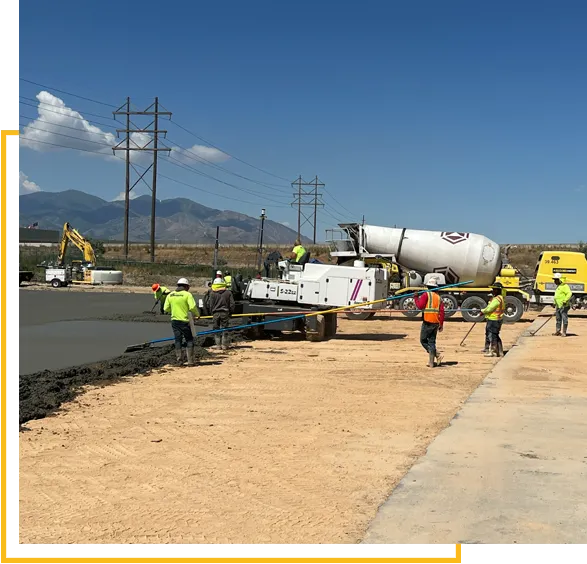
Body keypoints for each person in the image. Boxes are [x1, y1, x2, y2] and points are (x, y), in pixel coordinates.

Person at [163, 277, 200, 366]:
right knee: (189, 340)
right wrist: (197, 315)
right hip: (185, 321)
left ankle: (179, 360)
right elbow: (192, 307)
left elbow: (166, 308)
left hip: (175, 321)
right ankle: (190, 361)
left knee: (178, 340)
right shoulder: (187, 295)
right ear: (186, 286)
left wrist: (174, 310)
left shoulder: (170, 295)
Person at [414, 278, 445, 368]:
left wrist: (416, 297)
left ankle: (436, 354)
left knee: (423, 340)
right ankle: (431, 362)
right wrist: (441, 324)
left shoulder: (426, 295)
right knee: (432, 342)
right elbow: (442, 312)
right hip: (436, 322)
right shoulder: (439, 298)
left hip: (427, 321)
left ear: (428, 286)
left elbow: (420, 306)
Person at [203, 277, 235, 350]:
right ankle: (224, 345)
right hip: (225, 313)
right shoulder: (228, 293)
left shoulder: (212, 293)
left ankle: (218, 346)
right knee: (225, 329)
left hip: (215, 313)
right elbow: (232, 304)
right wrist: (230, 312)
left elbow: (210, 305)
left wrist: (211, 313)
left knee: (216, 329)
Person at [480, 282, 505, 357]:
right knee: (495, 335)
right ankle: (500, 352)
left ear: (497, 290)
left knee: (493, 336)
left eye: (494, 289)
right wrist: (484, 311)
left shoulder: (497, 299)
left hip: (494, 320)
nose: (492, 290)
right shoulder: (500, 298)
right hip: (496, 319)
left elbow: (490, 308)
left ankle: (494, 352)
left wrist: (482, 311)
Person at [552, 273, 572, 337]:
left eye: (556, 280)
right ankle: (558, 331)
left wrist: (565, 300)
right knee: (558, 318)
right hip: (558, 305)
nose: (554, 281)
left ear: (560, 280)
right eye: (554, 280)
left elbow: (569, 294)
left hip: (564, 306)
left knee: (564, 318)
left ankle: (564, 332)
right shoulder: (558, 287)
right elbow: (556, 296)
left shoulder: (565, 286)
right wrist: (554, 303)